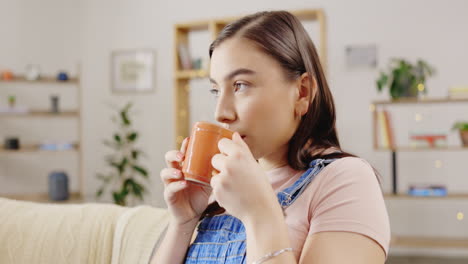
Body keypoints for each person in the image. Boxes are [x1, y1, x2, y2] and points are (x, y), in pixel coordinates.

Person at [152, 10, 390, 264]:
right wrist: (184, 221)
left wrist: (260, 215)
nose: (220, 112)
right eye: (215, 90)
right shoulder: (223, 187)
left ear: (302, 91)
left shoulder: (346, 180)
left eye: (240, 85)